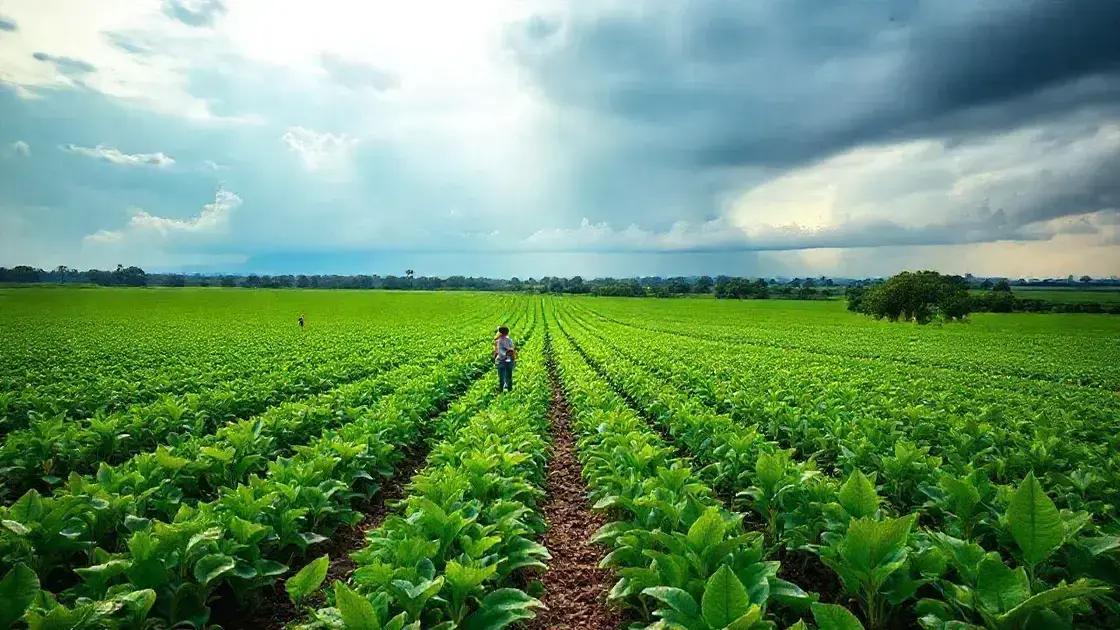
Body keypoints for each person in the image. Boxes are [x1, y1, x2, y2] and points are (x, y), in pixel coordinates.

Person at [493, 326, 516, 391]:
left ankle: (501, 391)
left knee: (501, 378)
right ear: (507, 332)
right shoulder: (509, 340)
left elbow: (499, 351)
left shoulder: (499, 341)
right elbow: (512, 350)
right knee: (509, 377)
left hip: (501, 360)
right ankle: (509, 390)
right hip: (508, 360)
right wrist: (511, 356)